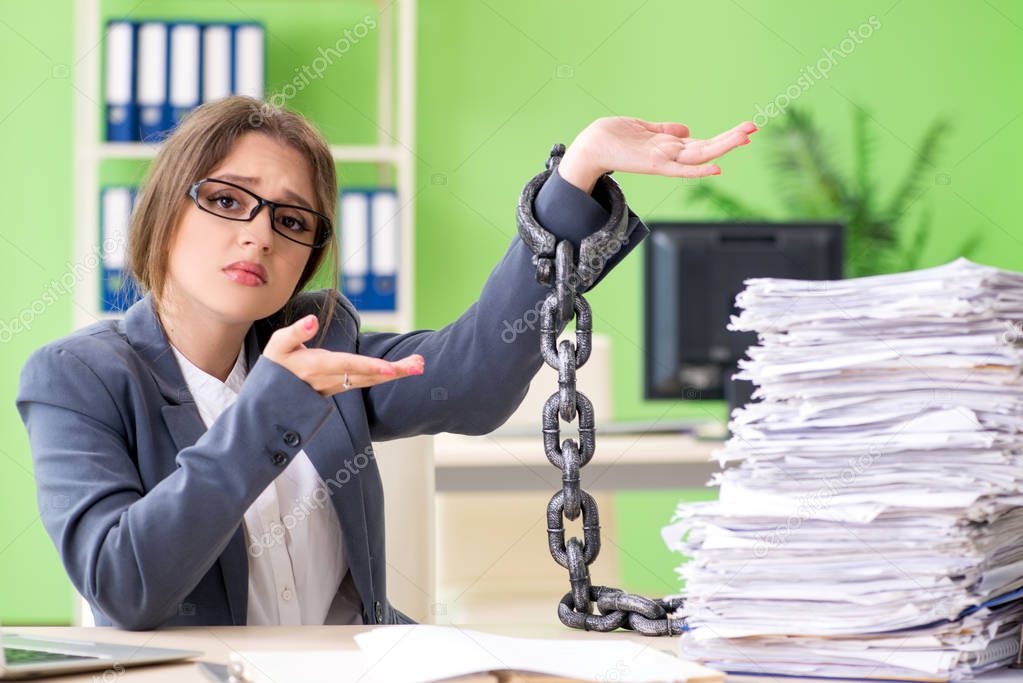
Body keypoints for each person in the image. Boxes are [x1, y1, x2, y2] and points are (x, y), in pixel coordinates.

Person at [15, 95, 756, 630]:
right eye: (228, 199)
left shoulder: (325, 342)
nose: (260, 235)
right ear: (165, 211)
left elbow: (469, 379)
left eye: (291, 218)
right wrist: (268, 405)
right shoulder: (78, 377)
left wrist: (578, 176)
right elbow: (124, 583)